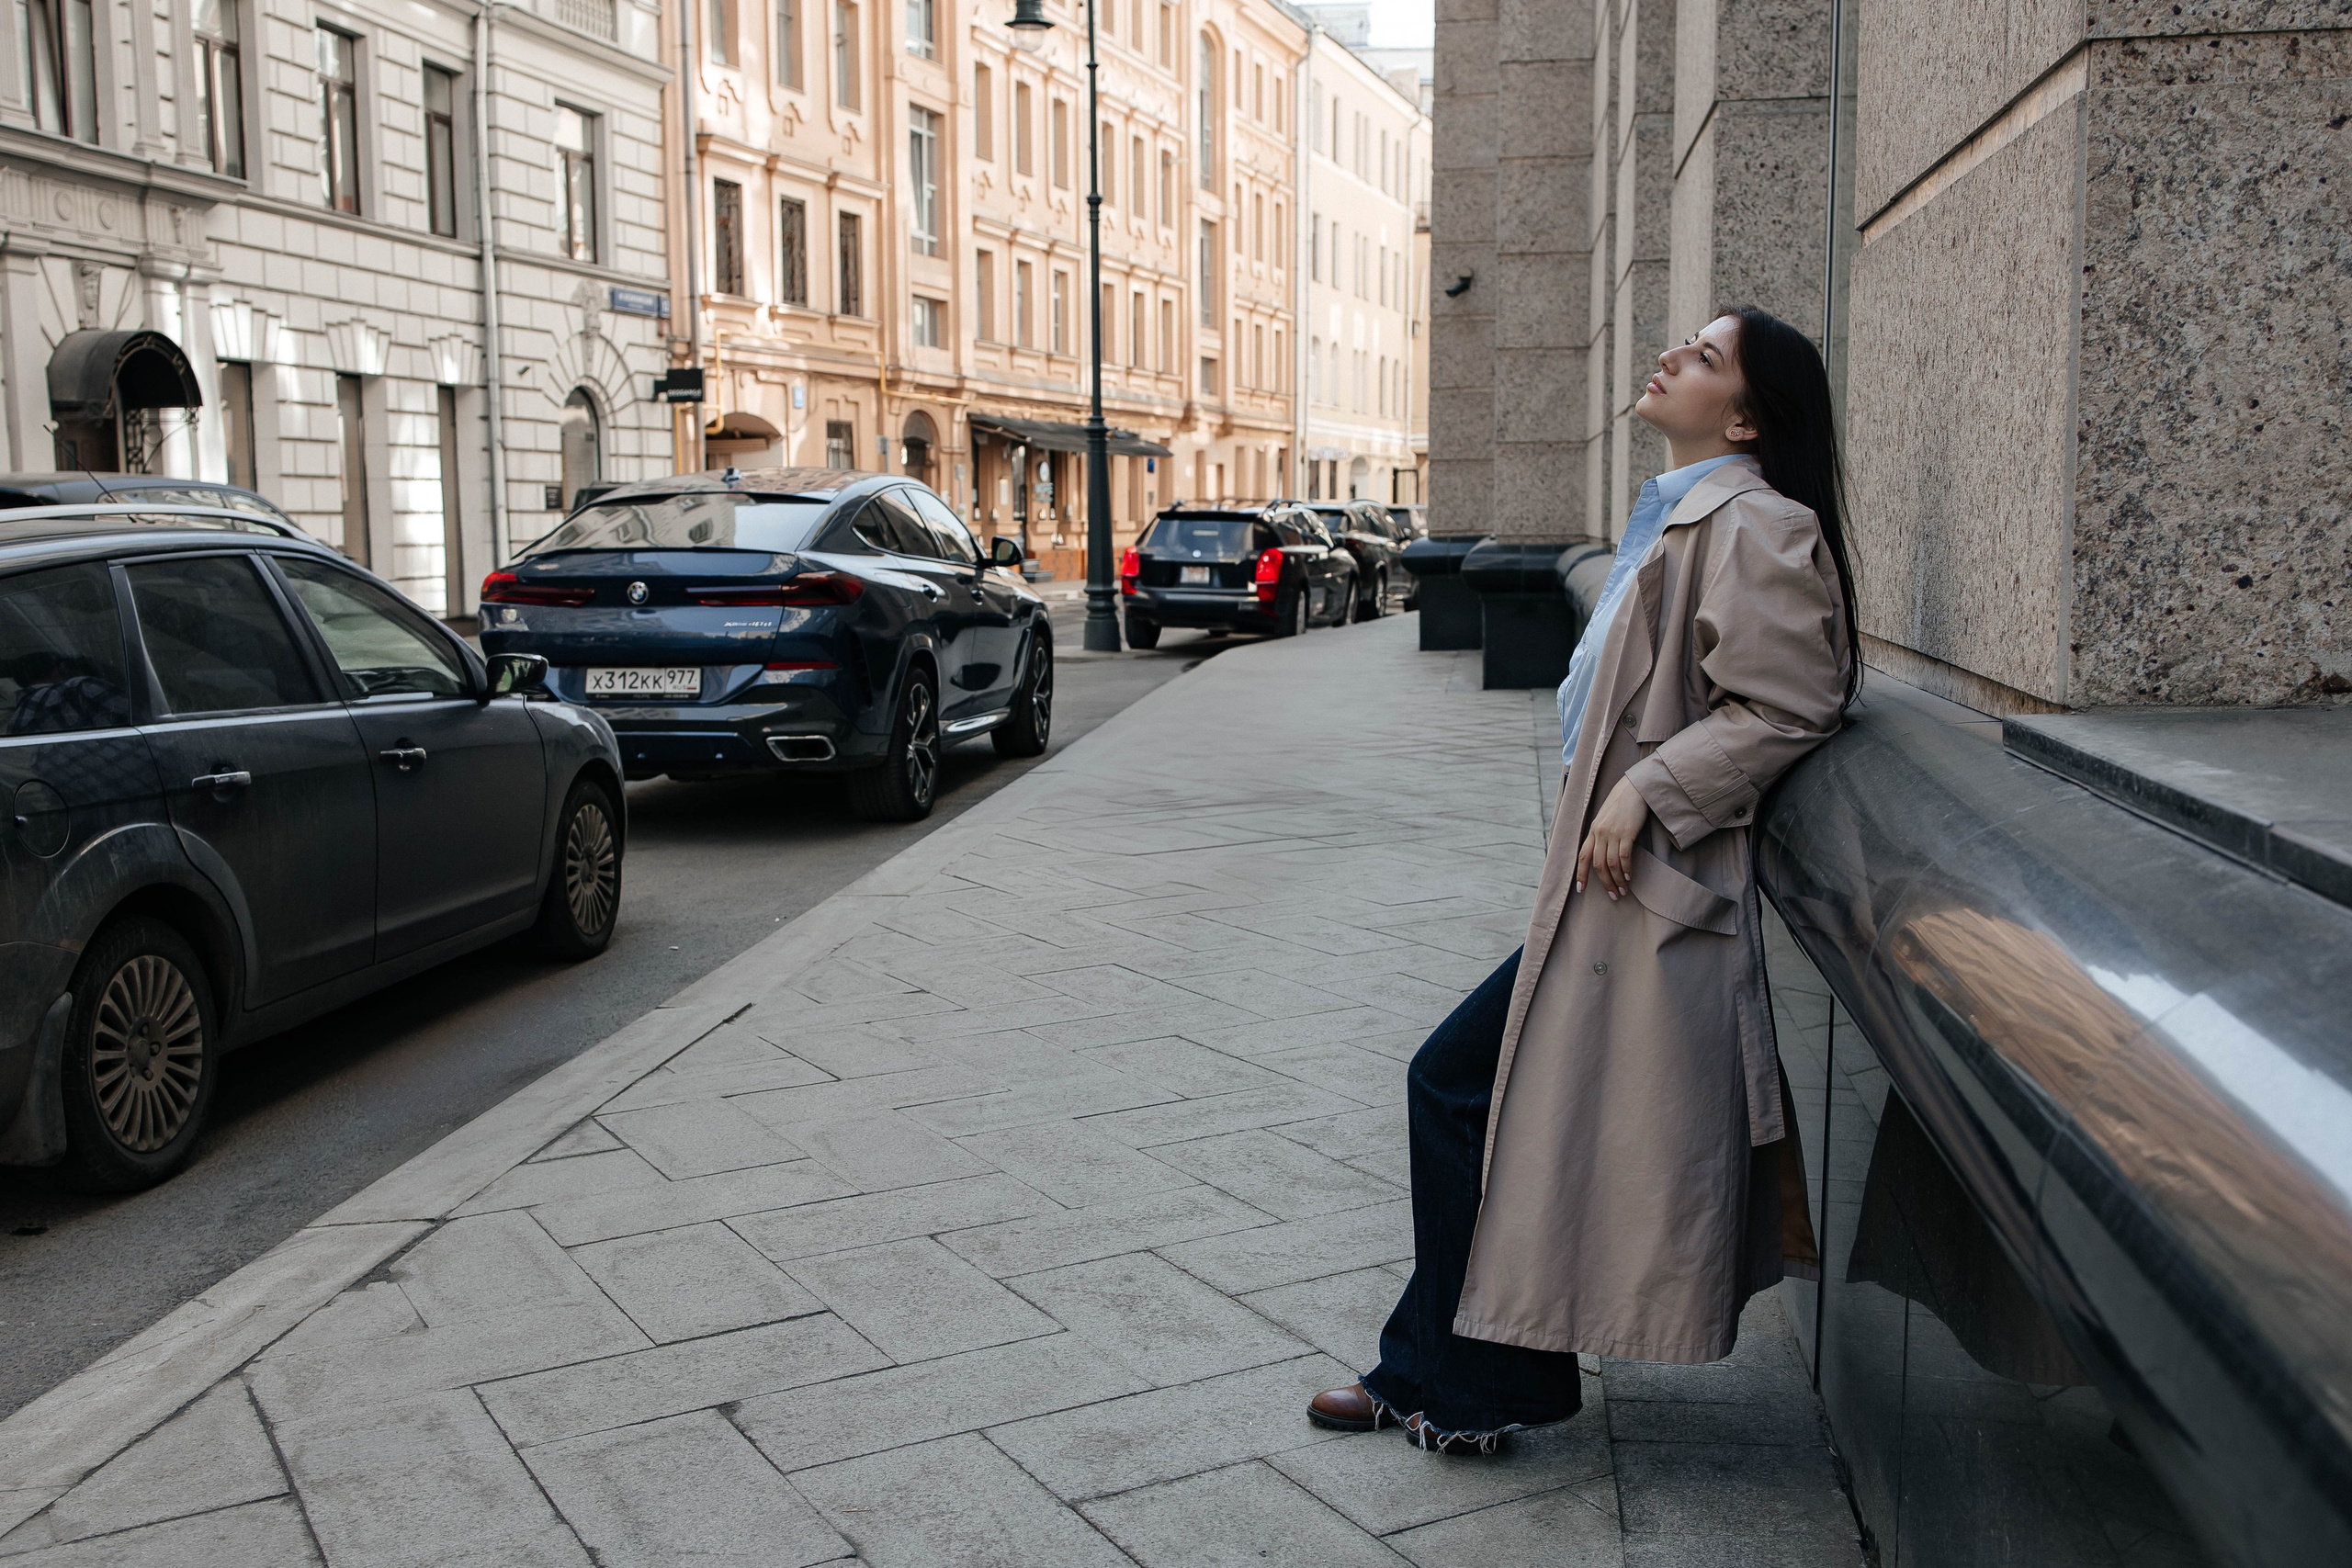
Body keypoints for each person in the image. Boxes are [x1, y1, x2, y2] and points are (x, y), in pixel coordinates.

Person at [1306, 306, 1860, 1453]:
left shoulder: (1754, 525)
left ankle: (1455, 1384)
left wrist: (1648, 792)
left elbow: (1795, 701)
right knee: (1485, 1100)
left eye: (1704, 360)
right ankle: (1449, 1378)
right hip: (1609, 891)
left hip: (1648, 895)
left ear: (1748, 417)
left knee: (1457, 1088)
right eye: (1684, 345)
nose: (1670, 359)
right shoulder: (1680, 515)